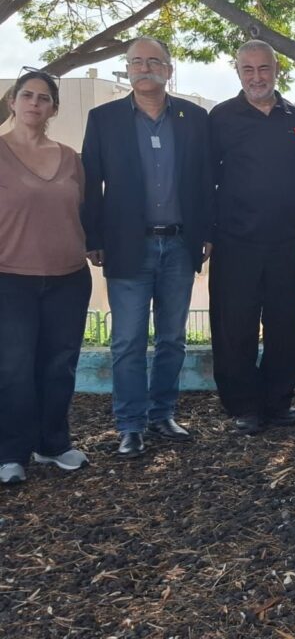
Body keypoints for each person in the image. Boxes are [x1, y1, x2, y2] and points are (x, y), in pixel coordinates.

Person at [82, 38, 212, 459]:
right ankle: (130, 424)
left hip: (179, 244)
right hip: (127, 245)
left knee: (172, 339)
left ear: (168, 70)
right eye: (136, 61)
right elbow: (91, 183)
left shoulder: (194, 118)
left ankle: (163, 414)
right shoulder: (103, 119)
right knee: (128, 341)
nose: (144, 67)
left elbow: (205, 181)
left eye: (153, 61)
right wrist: (93, 238)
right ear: (127, 68)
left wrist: (206, 233)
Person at [209, 40, 295, 435]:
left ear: (277, 69)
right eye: (248, 69)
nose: (257, 77)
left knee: (286, 328)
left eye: (263, 68)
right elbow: (204, 178)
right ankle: (244, 406)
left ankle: (277, 402)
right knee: (235, 329)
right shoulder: (220, 118)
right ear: (238, 73)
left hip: (286, 245)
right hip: (235, 243)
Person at [0, 69, 92, 484]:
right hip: (10, 279)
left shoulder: (71, 158)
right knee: (14, 369)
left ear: (54, 108)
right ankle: (11, 453)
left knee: (60, 366)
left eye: (44, 98)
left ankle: (53, 444)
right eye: (27, 95)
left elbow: (81, 210)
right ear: (12, 101)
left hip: (68, 278)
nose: (34, 103)